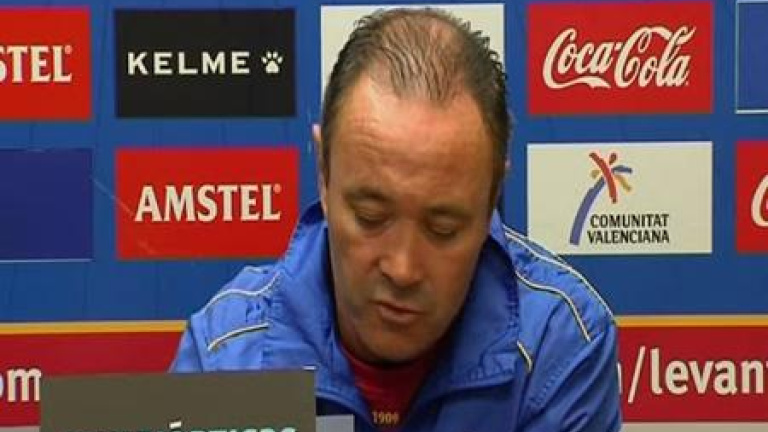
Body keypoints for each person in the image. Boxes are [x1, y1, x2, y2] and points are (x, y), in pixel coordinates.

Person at [171, 7, 621, 432]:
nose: (403, 269)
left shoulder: (559, 345)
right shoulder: (227, 354)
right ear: (323, 173)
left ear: (492, 199)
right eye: (370, 217)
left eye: (443, 229)